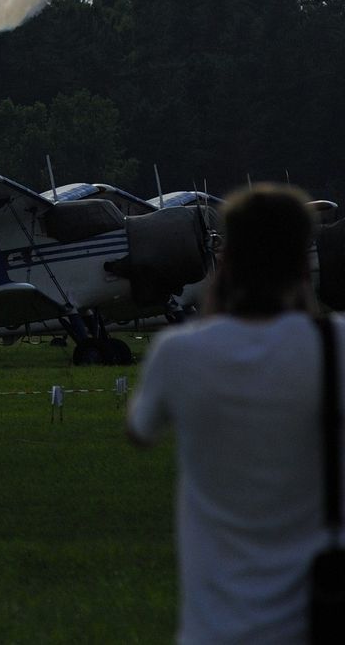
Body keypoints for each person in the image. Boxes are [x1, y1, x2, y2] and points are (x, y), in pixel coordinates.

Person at [128, 184, 344, 644]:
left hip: (214, 630)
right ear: (301, 260)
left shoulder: (180, 353)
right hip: (318, 619)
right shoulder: (336, 344)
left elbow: (140, 431)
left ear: (226, 259)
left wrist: (212, 309)